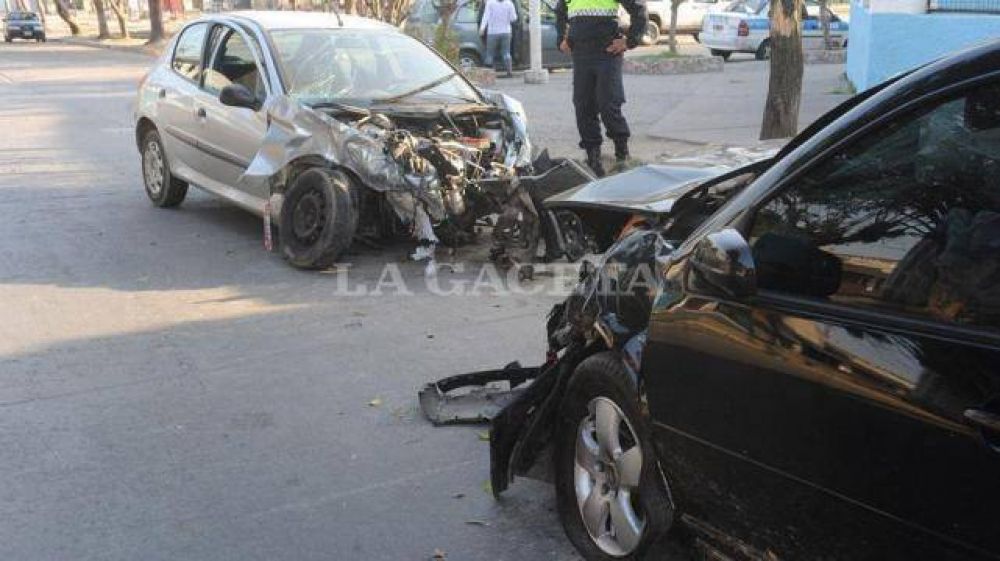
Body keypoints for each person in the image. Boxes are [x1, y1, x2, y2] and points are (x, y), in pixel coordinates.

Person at [556, 0, 646, 176]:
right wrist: (561, 39)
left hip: (607, 53)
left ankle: (622, 156)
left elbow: (639, 9)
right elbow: (560, 12)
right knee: (583, 106)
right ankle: (593, 160)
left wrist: (630, 41)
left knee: (608, 104)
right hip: (581, 55)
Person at [479, 0, 518, 78]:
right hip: (506, 32)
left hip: (492, 32)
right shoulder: (509, 3)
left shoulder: (490, 2)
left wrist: (482, 28)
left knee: (490, 54)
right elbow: (513, 18)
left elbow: (486, 16)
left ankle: (490, 74)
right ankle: (509, 72)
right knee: (506, 53)